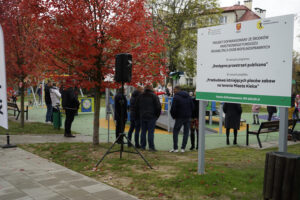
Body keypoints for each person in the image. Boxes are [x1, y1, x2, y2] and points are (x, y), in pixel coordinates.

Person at [135, 85, 161, 151]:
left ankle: (143, 146)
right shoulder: (154, 96)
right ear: (151, 89)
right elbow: (158, 107)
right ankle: (151, 147)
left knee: (143, 131)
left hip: (143, 116)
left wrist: (139, 114)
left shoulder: (140, 96)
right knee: (150, 132)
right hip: (151, 116)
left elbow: (136, 107)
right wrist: (156, 116)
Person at [170, 86, 194, 153]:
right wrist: (190, 114)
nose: (173, 91)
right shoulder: (188, 96)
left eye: (174, 90)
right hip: (187, 117)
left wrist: (174, 116)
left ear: (177, 90)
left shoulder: (176, 97)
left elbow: (173, 108)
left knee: (175, 131)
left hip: (179, 117)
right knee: (186, 132)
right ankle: (183, 148)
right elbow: (192, 106)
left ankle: (175, 148)